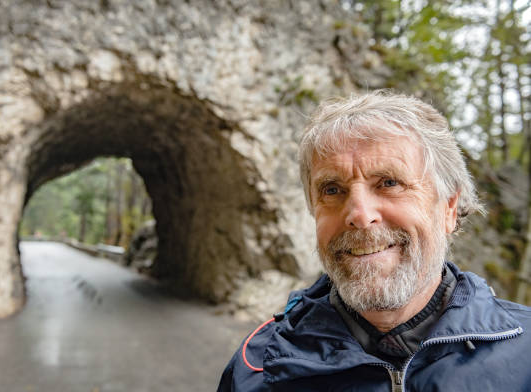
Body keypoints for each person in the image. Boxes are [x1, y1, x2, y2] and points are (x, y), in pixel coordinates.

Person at [218, 91, 531, 391]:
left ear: (449, 209)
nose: (359, 214)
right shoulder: (257, 370)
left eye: (390, 182)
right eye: (331, 189)